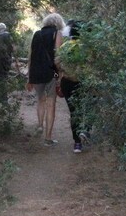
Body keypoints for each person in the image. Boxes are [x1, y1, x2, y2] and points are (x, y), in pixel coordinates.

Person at [26, 13, 65, 146]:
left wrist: (29, 77)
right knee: (51, 104)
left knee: (40, 100)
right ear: (58, 23)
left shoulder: (36, 34)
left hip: (36, 73)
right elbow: (58, 57)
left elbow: (31, 56)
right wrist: (60, 75)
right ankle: (48, 138)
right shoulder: (57, 34)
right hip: (50, 73)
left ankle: (40, 125)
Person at [57, 19, 88, 153]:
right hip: (84, 82)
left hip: (67, 82)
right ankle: (85, 131)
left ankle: (77, 143)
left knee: (73, 111)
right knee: (87, 108)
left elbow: (57, 64)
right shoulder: (86, 47)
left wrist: (59, 77)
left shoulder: (64, 46)